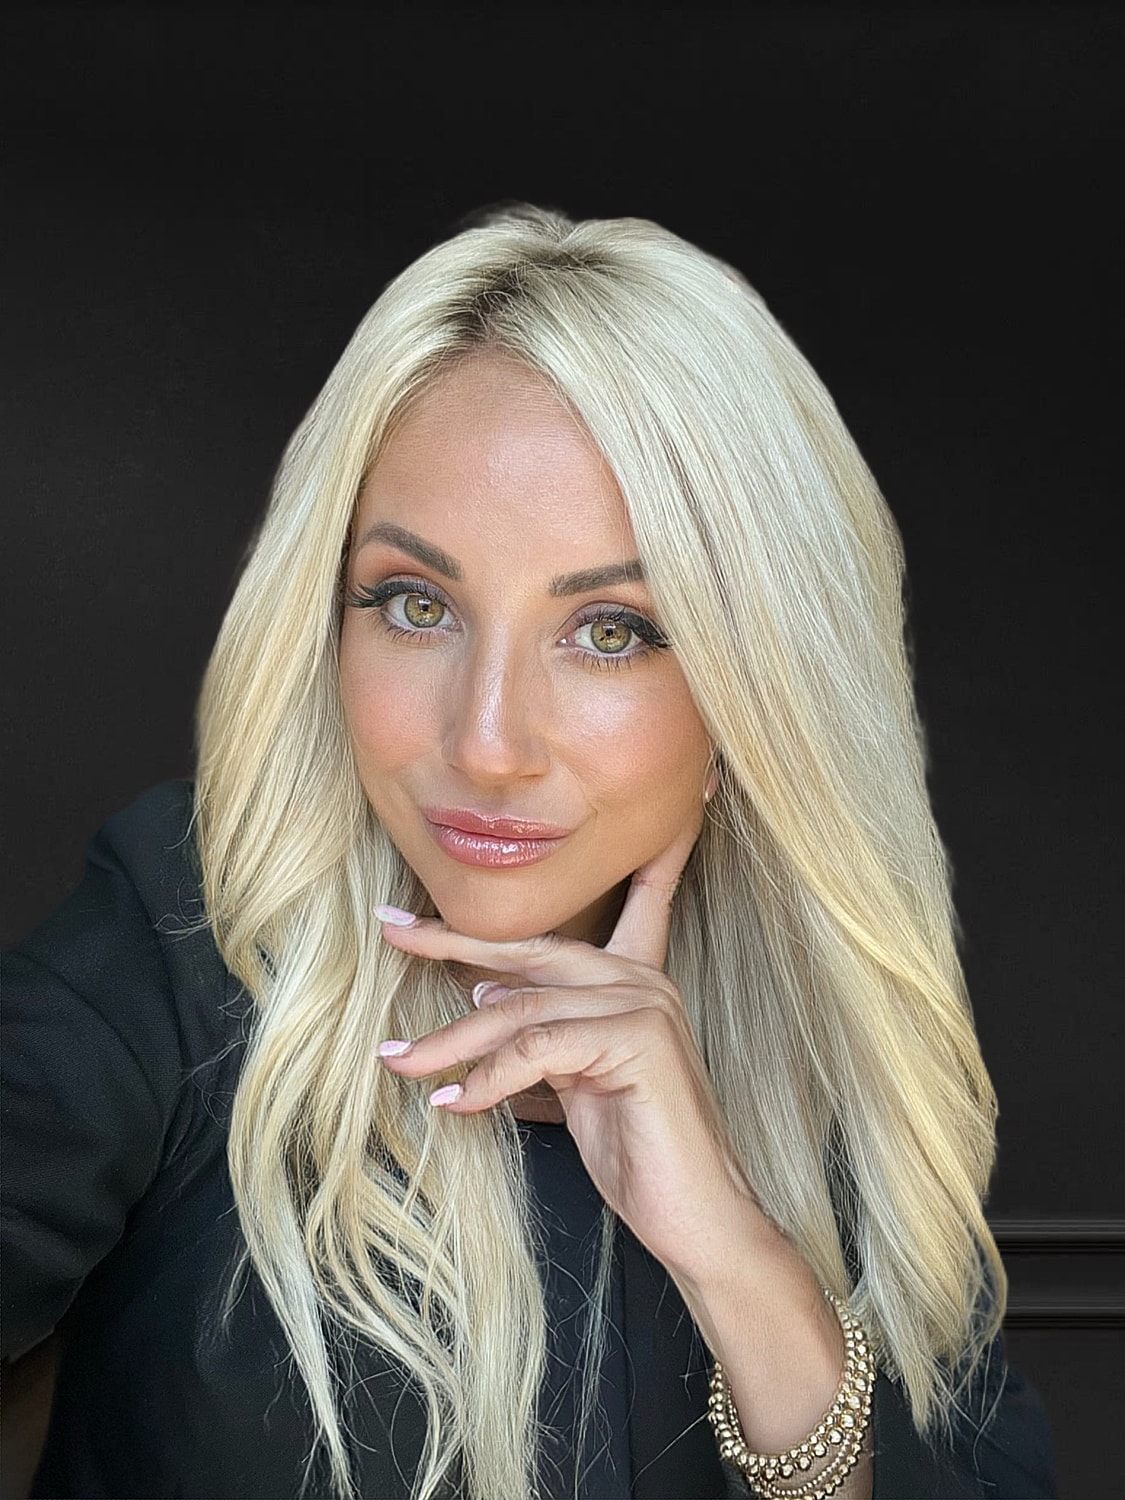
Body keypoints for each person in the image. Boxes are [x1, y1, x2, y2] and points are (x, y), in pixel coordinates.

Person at [1, 205, 1057, 1500]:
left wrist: (733, 1255)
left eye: (610, 630)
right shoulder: (181, 936)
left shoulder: (828, 1046)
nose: (487, 743)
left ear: (760, 682)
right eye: (416, 605)